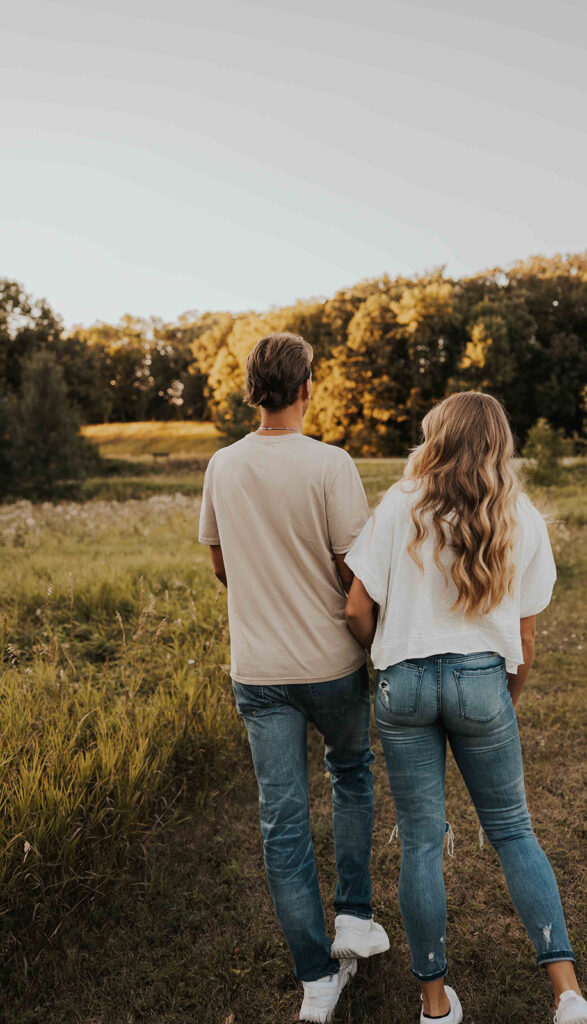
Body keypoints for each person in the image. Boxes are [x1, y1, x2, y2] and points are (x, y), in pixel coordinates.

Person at [344, 392, 587, 1024]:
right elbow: (526, 637)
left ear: (438, 436)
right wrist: (503, 700)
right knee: (513, 830)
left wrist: (386, 654)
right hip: (482, 681)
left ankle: (435, 1004)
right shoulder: (520, 514)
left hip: (402, 682)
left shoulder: (401, 503)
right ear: (498, 444)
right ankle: (568, 995)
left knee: (422, 843)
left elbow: (356, 608)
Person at [198, 332, 388, 1024]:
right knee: (350, 774)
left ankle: (315, 981)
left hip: (258, 670)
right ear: (308, 385)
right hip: (331, 664)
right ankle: (354, 917)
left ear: (253, 388)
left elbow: (221, 565)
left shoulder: (222, 465)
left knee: (281, 820)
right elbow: (353, 574)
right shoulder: (331, 464)